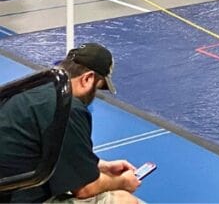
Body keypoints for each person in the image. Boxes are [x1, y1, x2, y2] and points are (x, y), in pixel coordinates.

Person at [0, 42, 142, 203]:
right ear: (87, 79)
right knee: (125, 200)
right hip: (16, 198)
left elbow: (48, 151)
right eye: (97, 88)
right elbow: (85, 188)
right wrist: (123, 182)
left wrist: (100, 165)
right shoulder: (67, 107)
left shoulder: (33, 88)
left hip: (8, 187)